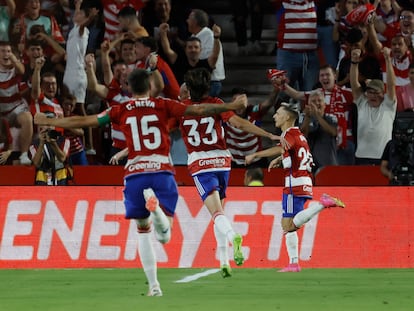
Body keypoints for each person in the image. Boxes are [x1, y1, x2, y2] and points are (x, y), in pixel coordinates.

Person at [34, 66, 248, 296]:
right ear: (150, 86)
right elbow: (199, 109)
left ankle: (154, 286)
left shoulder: (120, 109)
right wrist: (231, 106)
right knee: (165, 236)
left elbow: (87, 121)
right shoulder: (163, 104)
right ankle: (157, 213)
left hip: (135, 173)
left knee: (142, 232)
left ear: (129, 88)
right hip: (162, 172)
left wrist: (54, 122)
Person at [178, 68, 279, 277]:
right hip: (223, 161)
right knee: (220, 212)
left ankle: (234, 236)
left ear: (188, 88)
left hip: (200, 163)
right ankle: (224, 261)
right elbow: (239, 123)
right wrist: (268, 133)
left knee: (216, 213)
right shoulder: (216, 103)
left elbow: (161, 128)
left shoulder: (180, 108)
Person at [245, 102, 345, 272]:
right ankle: (293, 263)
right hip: (304, 181)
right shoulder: (299, 135)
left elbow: (280, 147)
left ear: (287, 117)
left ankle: (322, 204)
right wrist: (280, 159)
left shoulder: (288, 134)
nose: (274, 116)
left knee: (287, 225)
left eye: (278, 113)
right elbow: (293, 153)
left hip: (294, 184)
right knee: (290, 227)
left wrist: (256, 154)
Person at [62, 0, 99, 155]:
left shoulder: (82, 31)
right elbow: (76, 20)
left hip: (77, 75)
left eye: (79, 14)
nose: (76, 15)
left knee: (79, 108)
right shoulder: (74, 29)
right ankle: (73, 140)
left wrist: (89, 17)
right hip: (69, 73)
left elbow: (83, 25)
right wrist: (78, 6)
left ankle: (90, 145)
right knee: (69, 107)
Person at [350, 46, 397, 165]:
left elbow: (391, 85)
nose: (373, 96)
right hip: (361, 157)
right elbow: (354, 84)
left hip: (383, 159)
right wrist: (354, 62)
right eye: (370, 92)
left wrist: (387, 59)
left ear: (383, 93)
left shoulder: (388, 105)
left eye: (376, 93)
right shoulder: (362, 103)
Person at [225, 85, 279, 168]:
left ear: (247, 102)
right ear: (232, 102)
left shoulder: (254, 110)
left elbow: (269, 103)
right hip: (233, 161)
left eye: (241, 100)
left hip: (255, 160)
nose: (239, 104)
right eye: (235, 100)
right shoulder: (226, 114)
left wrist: (276, 88)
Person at [0, 41, 33, 165]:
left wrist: (13, 58)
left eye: (8, 51)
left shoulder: (16, 67)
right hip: (2, 112)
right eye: (3, 51)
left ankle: (24, 155)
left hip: (16, 108)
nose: (6, 54)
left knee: (27, 118)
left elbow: (22, 70)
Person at [186, 9, 225, 96]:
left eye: (189, 18)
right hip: (199, 82)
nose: (187, 21)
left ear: (195, 22)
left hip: (210, 83)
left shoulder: (209, 36)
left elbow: (210, 61)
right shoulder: (194, 36)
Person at [299, 90, 338, 173]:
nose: (316, 103)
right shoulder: (303, 117)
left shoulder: (331, 118)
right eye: (313, 101)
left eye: (319, 100)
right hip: (308, 164)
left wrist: (317, 115)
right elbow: (302, 135)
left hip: (327, 164)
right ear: (308, 104)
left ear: (325, 104)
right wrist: (307, 117)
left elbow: (333, 132)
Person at [29, 112, 71, 185]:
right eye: (46, 122)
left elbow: (62, 159)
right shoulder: (34, 143)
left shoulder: (64, 140)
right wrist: (41, 143)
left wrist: (53, 143)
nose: (49, 126)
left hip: (61, 179)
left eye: (51, 122)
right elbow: (36, 163)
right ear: (41, 125)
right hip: (42, 179)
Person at [380, 115, 414, 185]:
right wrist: (389, 174)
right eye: (398, 134)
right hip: (395, 182)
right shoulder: (390, 144)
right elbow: (383, 166)